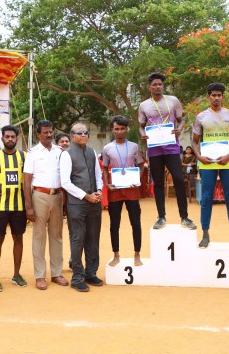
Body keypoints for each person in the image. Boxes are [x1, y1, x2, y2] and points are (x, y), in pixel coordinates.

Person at [138, 72, 196, 230]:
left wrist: (179, 130)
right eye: (154, 85)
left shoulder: (173, 100)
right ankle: (161, 217)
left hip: (171, 146)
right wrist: (143, 135)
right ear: (149, 87)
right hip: (154, 148)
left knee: (178, 178)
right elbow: (141, 126)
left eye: (160, 84)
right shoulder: (144, 105)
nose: (158, 87)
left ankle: (184, 217)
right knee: (158, 182)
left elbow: (181, 120)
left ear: (163, 86)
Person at [192, 82, 229, 248]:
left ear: (223, 97)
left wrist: (228, 156)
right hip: (207, 162)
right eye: (213, 95)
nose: (216, 98)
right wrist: (199, 156)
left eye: (219, 95)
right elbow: (194, 142)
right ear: (208, 97)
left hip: (227, 162)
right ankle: (205, 234)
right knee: (206, 198)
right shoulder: (201, 117)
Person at [23, 120, 69, 290]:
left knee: (57, 236)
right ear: (38, 134)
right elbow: (27, 182)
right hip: (39, 196)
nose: (49, 135)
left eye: (51, 132)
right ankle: (40, 276)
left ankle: (57, 273)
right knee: (39, 237)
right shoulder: (32, 153)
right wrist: (29, 207)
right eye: (45, 132)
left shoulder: (60, 152)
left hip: (58, 196)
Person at [60, 123, 103, 292]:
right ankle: (77, 277)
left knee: (93, 238)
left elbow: (98, 175)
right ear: (73, 136)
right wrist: (86, 196)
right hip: (77, 204)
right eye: (80, 133)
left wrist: (99, 191)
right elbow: (65, 182)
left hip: (94, 203)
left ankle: (91, 273)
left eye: (85, 132)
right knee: (78, 239)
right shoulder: (67, 154)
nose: (84, 135)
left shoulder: (92, 152)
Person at [0, 125, 29, 292]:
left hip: (19, 206)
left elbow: (28, 181)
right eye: (7, 136)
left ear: (17, 139)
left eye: (13, 137)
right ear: (2, 138)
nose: (10, 139)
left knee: (18, 238)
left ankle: (16, 274)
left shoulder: (24, 156)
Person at [101, 115, 144, 267]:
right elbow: (104, 168)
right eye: (116, 129)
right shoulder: (107, 148)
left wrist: (137, 179)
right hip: (115, 190)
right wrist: (107, 184)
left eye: (122, 129)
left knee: (135, 223)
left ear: (127, 129)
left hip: (131, 189)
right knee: (114, 224)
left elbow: (141, 165)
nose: (119, 131)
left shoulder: (134, 146)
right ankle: (116, 255)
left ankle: (137, 254)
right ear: (112, 130)